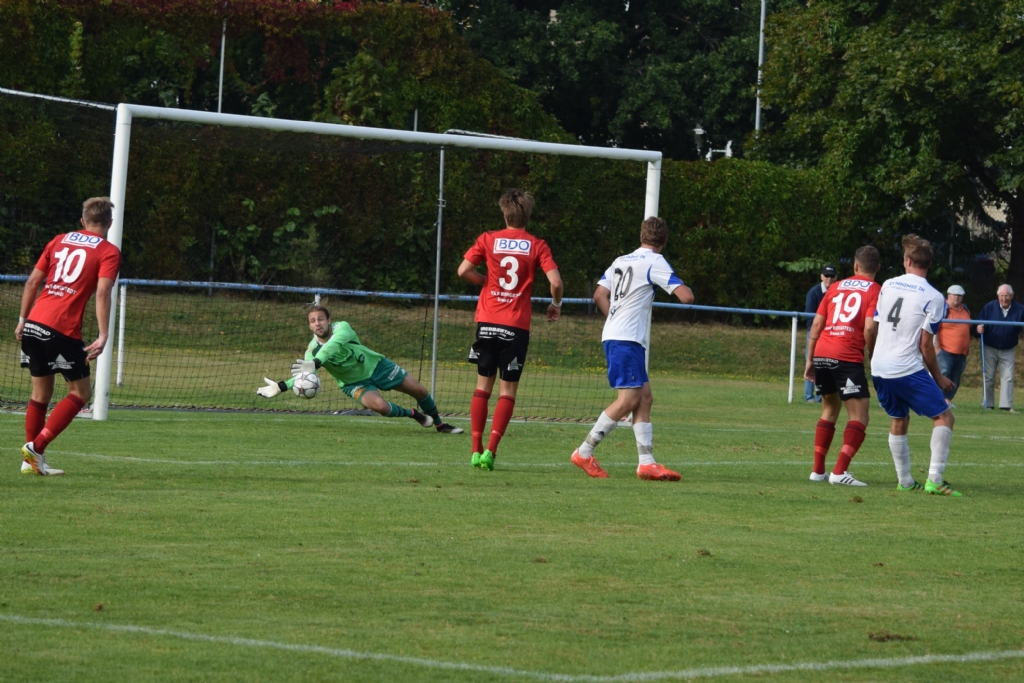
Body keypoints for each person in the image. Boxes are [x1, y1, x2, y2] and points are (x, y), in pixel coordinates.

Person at [570, 216, 694, 481]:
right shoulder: (655, 261)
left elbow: (599, 294)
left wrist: (615, 320)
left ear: (641, 236)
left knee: (644, 397)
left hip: (620, 336)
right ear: (664, 240)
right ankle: (584, 451)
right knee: (628, 400)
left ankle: (646, 463)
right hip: (626, 339)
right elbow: (686, 297)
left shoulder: (621, 260)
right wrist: (684, 286)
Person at [457, 189, 563, 471]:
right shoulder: (537, 245)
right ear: (527, 216)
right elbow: (556, 282)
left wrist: (486, 282)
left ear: (504, 215)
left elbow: (463, 270)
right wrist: (555, 304)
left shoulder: (488, 239)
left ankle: (475, 449)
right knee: (508, 391)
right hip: (515, 326)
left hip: (487, 321)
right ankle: (491, 451)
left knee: (482, 387)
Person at [16, 197, 122, 476]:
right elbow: (103, 292)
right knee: (80, 392)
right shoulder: (108, 251)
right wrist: (103, 334)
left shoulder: (58, 240)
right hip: (61, 328)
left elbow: (32, 282)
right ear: (110, 223)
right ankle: (36, 448)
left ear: (82, 221)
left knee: (40, 393)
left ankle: (30, 462)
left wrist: (22, 320)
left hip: (34, 323)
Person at [256, 305, 463, 433]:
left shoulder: (342, 328)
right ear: (310, 327)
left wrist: (317, 362)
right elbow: (306, 375)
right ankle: (413, 414)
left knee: (419, 391)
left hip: (378, 366)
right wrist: (281, 386)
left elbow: (333, 346)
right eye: (313, 321)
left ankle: (440, 425)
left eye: (321, 319)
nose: (318, 324)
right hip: (353, 383)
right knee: (381, 407)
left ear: (329, 320)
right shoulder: (311, 351)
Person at [870, 234, 960, 496]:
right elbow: (926, 345)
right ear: (928, 264)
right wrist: (939, 377)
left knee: (899, 419)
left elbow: (873, 327)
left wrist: (875, 356)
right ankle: (935, 480)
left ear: (907, 261)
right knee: (944, 416)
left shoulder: (888, 285)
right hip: (905, 367)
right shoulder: (934, 297)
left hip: (879, 366)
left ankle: (905, 481)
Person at [803, 246, 881, 486]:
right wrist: (873, 353)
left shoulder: (835, 286)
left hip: (823, 352)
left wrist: (810, 359)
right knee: (860, 415)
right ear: (877, 268)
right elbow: (870, 327)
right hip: (846, 355)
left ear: (855, 266)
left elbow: (817, 325)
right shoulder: (875, 289)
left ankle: (818, 471)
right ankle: (839, 472)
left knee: (829, 409)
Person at [975, 284, 1024, 412]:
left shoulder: (1020, 309)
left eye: (1006, 296)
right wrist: (978, 328)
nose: (1004, 299)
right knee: (989, 376)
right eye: (1001, 296)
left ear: (1011, 296)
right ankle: (988, 404)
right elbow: (977, 324)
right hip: (989, 346)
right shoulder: (989, 307)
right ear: (998, 296)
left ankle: (1006, 406)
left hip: (1008, 348)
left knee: (1008, 377)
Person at [804, 264, 838, 402]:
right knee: (810, 362)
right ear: (821, 276)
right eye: (826, 275)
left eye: (831, 276)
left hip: (830, 334)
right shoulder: (814, 292)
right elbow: (809, 316)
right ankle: (809, 396)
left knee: (824, 364)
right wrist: (813, 332)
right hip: (815, 333)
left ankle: (821, 396)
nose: (829, 278)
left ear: (836, 277)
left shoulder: (838, 292)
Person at [935, 284, 971, 406]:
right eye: (954, 295)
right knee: (943, 375)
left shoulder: (965, 310)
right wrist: (937, 348)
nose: (957, 297)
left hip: (962, 352)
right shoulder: (942, 309)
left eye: (959, 295)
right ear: (948, 295)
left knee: (956, 378)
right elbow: (934, 329)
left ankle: (947, 401)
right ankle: (939, 400)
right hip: (945, 350)